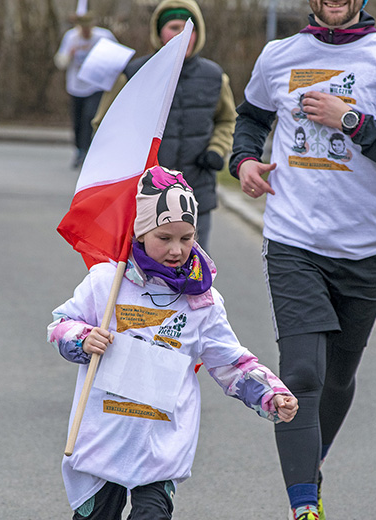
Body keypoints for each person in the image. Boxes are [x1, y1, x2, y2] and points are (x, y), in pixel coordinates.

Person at [228, 1, 376, 519]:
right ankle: (305, 507)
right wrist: (245, 160)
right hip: (293, 239)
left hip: (365, 248)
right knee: (301, 373)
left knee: (338, 378)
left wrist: (354, 122)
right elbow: (251, 116)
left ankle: (309, 461)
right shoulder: (279, 55)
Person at [47, 165, 298, 519]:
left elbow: (230, 363)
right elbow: (59, 326)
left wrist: (271, 393)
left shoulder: (202, 300)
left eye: (187, 237)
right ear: (140, 231)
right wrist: (83, 338)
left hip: (160, 443)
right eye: (164, 238)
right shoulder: (107, 281)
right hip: (105, 435)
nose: (177, 250)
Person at [92, 0, 236, 252]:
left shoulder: (215, 77)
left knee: (192, 271)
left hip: (196, 190)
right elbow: (104, 124)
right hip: (145, 194)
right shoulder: (135, 73)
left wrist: (217, 149)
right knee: (143, 272)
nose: (182, 35)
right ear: (159, 32)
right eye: (174, 27)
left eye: (188, 28)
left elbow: (226, 120)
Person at [54, 12, 117, 169]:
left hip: (95, 85)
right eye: (83, 28)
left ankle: (87, 151)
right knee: (78, 120)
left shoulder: (103, 36)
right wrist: (70, 54)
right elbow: (60, 62)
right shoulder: (71, 37)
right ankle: (79, 149)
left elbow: (117, 54)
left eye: (88, 28)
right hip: (76, 86)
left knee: (90, 117)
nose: (86, 31)